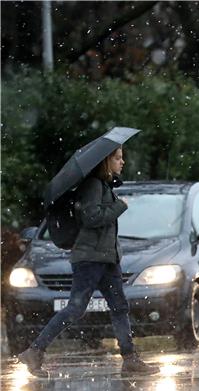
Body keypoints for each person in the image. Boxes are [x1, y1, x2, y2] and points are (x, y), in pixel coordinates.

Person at [17, 148, 159, 378]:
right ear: (105, 161)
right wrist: (119, 206)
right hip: (91, 259)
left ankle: (130, 358)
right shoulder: (92, 185)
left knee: (120, 307)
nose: (122, 161)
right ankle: (35, 351)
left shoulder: (103, 185)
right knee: (76, 308)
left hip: (106, 258)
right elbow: (91, 217)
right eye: (117, 157)